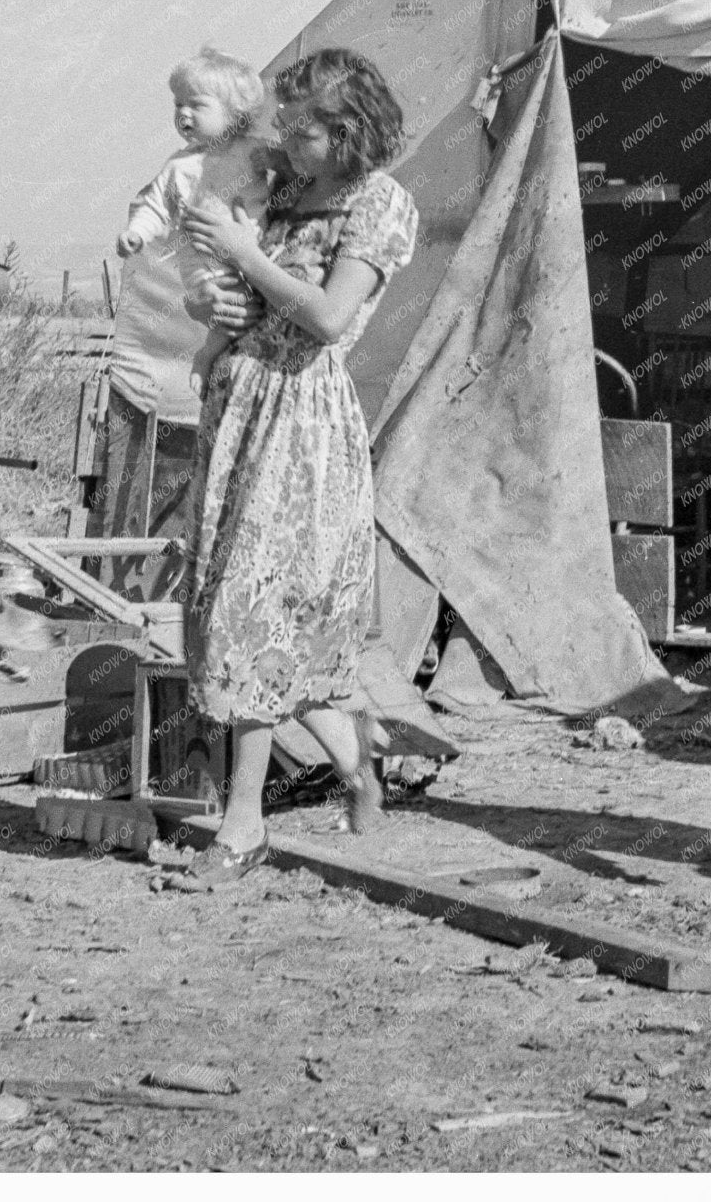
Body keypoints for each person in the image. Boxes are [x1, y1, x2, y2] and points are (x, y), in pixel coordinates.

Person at [173, 46, 419, 876]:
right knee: (229, 610)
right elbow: (224, 284)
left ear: (347, 132)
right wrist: (204, 297)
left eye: (303, 128)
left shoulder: (380, 204)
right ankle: (358, 765)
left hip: (301, 420)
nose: (285, 136)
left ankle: (243, 823)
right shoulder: (278, 187)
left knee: (257, 608)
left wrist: (245, 255)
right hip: (237, 407)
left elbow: (324, 315)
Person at [117, 47, 277, 396]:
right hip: (201, 256)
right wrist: (137, 234)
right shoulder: (179, 165)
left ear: (235, 113)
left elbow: (290, 167)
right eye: (178, 105)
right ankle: (207, 355)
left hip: (250, 244)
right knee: (231, 302)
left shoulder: (254, 151)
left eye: (196, 105)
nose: (183, 114)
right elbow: (157, 206)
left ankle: (224, 360)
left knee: (254, 300)